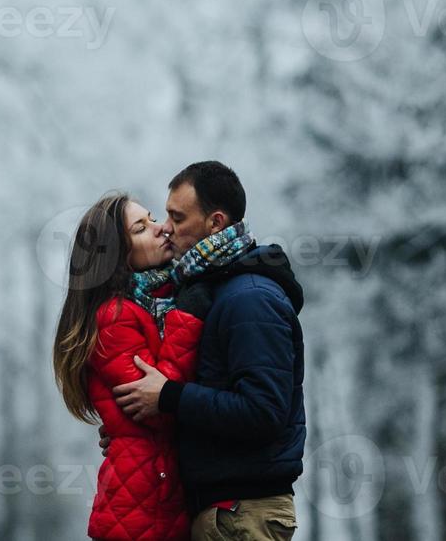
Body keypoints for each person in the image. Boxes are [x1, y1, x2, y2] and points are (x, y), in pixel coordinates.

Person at [112, 161, 306, 541]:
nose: (166, 227)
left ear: (215, 223)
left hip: (242, 514)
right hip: (225, 513)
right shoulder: (211, 290)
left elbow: (262, 411)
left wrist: (169, 397)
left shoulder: (249, 298)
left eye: (176, 216)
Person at [52, 191, 208, 541]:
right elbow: (158, 405)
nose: (161, 229)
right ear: (119, 257)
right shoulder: (114, 317)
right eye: (141, 228)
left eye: (153, 218)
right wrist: (189, 317)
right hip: (140, 510)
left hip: (154, 499)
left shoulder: (150, 303)